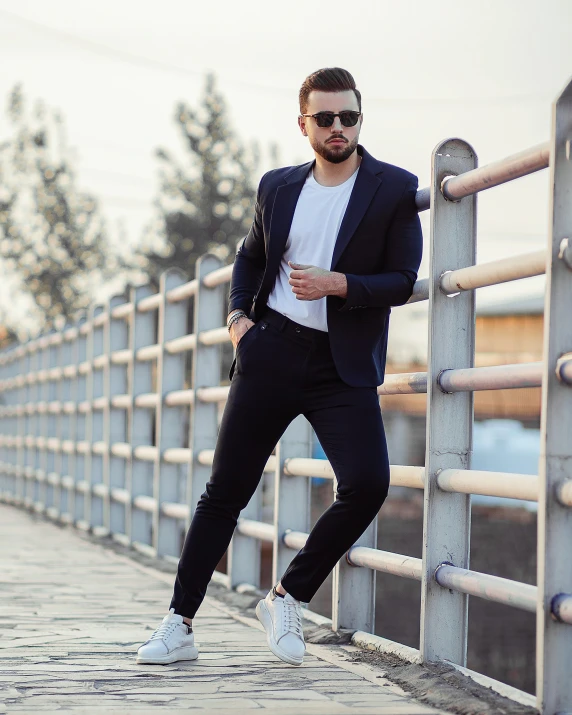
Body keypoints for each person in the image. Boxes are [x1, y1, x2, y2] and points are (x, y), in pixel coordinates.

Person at [136, 67, 423, 667]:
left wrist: (338, 284)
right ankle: (178, 623)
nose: (338, 127)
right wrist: (240, 322)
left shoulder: (393, 188)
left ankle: (287, 595)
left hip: (341, 366)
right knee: (225, 494)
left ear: (359, 119)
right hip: (271, 352)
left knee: (368, 483)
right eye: (326, 118)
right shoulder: (278, 187)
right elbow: (250, 257)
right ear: (304, 124)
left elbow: (401, 280)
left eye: (349, 116)